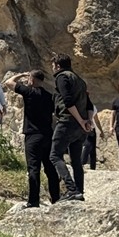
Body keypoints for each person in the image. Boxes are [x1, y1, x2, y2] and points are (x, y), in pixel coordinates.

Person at [13, 69, 60, 207]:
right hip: (47, 135)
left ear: (32, 80)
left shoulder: (29, 92)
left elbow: (9, 83)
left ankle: (33, 201)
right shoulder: (50, 96)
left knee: (33, 168)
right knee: (50, 168)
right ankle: (56, 198)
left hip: (32, 135)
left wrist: (21, 74)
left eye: (29, 79)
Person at [49, 54, 91, 201]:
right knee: (76, 160)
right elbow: (89, 104)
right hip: (80, 127)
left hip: (67, 123)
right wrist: (87, 122)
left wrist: (80, 121)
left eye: (53, 65)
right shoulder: (80, 80)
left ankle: (72, 189)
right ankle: (80, 191)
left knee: (54, 155)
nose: (52, 68)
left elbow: (67, 101)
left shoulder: (62, 77)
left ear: (58, 66)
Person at [81, 97, 104, 170]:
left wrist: (101, 130)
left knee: (92, 148)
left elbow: (96, 120)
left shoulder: (91, 106)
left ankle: (92, 167)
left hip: (90, 129)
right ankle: (82, 163)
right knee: (87, 146)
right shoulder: (83, 105)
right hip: (85, 128)